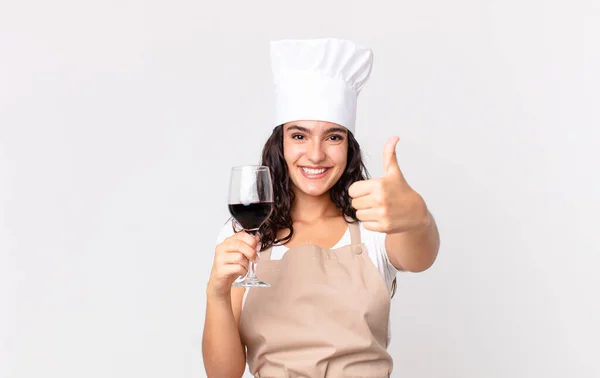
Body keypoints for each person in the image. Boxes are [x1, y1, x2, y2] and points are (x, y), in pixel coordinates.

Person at [202, 38, 440, 378]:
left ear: (349, 146)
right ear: (280, 143)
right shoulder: (243, 235)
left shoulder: (374, 225)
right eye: (299, 136)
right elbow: (223, 374)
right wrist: (217, 291)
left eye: (333, 137)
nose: (315, 155)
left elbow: (421, 258)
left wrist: (417, 218)